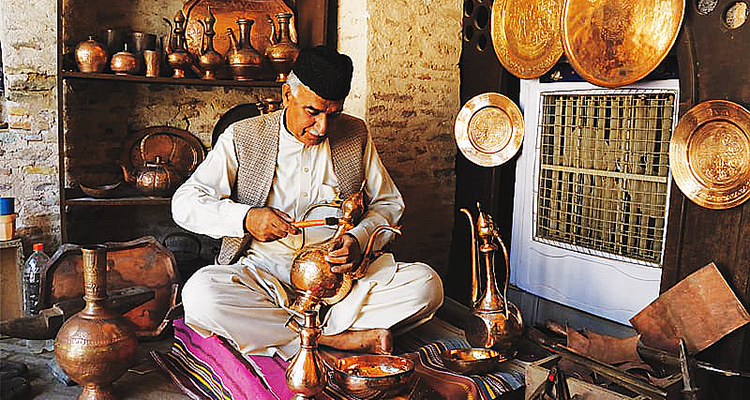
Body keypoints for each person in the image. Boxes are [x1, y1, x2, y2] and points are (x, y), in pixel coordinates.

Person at [172, 46, 443, 360]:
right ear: (287, 94)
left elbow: (388, 204)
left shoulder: (354, 134)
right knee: (201, 295)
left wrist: (359, 238)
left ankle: (295, 334)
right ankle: (335, 341)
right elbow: (185, 203)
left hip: (341, 283)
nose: (323, 128)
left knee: (427, 286)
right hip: (265, 274)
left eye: (333, 113)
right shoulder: (243, 136)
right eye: (312, 112)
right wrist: (246, 218)